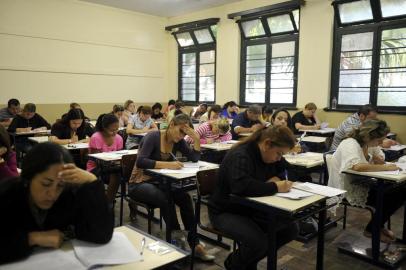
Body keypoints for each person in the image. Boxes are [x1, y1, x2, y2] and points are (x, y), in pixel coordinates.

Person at [0, 142, 113, 264]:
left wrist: (93, 183)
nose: (52, 194)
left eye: (60, 185)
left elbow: (100, 235)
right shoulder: (8, 195)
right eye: (46, 184)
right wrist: (32, 238)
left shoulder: (68, 195)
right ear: (28, 178)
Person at [208, 126, 299, 269]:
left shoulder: (271, 155)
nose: (279, 158)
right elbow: (241, 187)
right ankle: (234, 263)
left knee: (290, 228)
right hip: (226, 211)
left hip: (252, 208)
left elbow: (292, 170)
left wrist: (278, 177)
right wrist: (276, 187)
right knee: (258, 243)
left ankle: (248, 261)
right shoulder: (241, 155)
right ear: (267, 144)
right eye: (278, 154)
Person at [128, 114, 214, 261]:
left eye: (185, 134)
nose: (182, 136)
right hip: (139, 183)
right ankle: (177, 242)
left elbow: (194, 158)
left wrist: (197, 139)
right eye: (181, 131)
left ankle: (195, 244)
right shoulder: (153, 136)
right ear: (172, 124)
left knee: (185, 199)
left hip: (162, 183)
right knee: (165, 199)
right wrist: (169, 165)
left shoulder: (178, 141)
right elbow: (142, 161)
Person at [328, 119, 405, 243]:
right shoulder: (349, 143)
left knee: (400, 191)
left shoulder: (367, 143)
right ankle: (372, 229)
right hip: (347, 187)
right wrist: (384, 167)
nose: (381, 142)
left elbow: (380, 156)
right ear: (369, 136)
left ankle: (377, 226)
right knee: (389, 196)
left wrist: (378, 159)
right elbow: (356, 166)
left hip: (362, 181)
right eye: (379, 140)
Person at [87, 114, 123, 203]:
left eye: (117, 129)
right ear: (104, 128)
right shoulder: (96, 137)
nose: (115, 132)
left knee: (118, 174)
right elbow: (96, 160)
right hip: (95, 168)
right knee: (115, 174)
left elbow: (120, 155)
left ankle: (108, 201)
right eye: (112, 130)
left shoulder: (118, 138)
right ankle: (107, 202)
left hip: (112, 167)